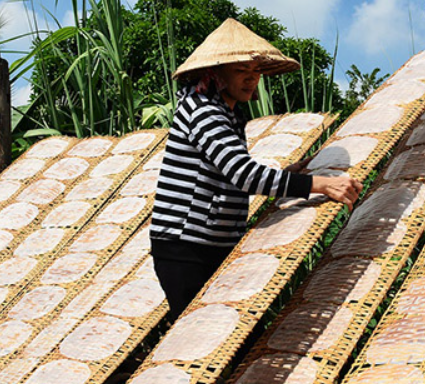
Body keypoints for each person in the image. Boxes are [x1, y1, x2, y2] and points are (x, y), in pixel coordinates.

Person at [150, 18, 362, 321]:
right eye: (240, 71)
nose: (251, 79)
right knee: (200, 334)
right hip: (187, 247)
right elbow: (243, 174)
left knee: (221, 331)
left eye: (256, 72)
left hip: (212, 243)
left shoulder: (229, 112)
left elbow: (225, 174)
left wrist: (288, 173)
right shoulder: (203, 110)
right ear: (216, 72)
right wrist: (322, 185)